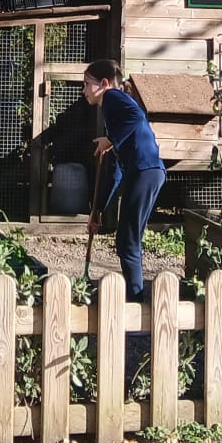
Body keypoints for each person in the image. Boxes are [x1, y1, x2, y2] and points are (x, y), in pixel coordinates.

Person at [83, 58, 166, 301]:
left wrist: (109, 139)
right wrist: (97, 210)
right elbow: (117, 171)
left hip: (145, 171)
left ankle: (136, 300)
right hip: (145, 172)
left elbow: (137, 116)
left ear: (104, 84)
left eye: (88, 84)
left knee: (127, 241)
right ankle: (135, 295)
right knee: (127, 239)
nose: (84, 90)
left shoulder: (112, 98)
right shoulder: (113, 110)